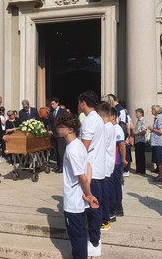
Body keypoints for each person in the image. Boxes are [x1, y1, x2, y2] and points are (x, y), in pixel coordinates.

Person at [56, 113, 99, 259]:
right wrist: (87, 193)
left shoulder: (72, 150)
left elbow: (82, 177)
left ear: (70, 129)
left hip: (73, 201)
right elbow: (88, 167)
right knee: (80, 234)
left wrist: (89, 195)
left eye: (61, 127)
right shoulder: (79, 145)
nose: (58, 129)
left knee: (77, 238)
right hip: (79, 198)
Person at [78, 91, 105, 257]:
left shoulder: (89, 121)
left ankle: (94, 241)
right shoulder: (98, 119)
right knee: (95, 204)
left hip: (91, 170)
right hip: (97, 168)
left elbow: (83, 147)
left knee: (92, 205)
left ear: (83, 103)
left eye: (79, 103)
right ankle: (95, 236)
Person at [97, 101, 115, 231]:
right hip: (107, 164)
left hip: (104, 165)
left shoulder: (106, 128)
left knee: (104, 194)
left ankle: (105, 220)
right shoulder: (110, 127)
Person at [109, 107, 127, 222]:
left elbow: (121, 145)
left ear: (113, 117)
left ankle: (117, 208)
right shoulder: (111, 128)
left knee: (116, 186)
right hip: (112, 162)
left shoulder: (117, 129)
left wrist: (124, 159)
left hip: (116, 162)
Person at [148, 105, 162, 182]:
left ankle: (161, 175)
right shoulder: (157, 118)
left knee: (160, 160)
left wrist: (152, 128)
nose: (151, 111)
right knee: (158, 160)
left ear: (156, 110)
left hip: (160, 142)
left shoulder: (160, 118)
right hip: (156, 142)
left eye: (152, 109)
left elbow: (161, 131)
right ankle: (160, 174)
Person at [48, 97, 67, 173]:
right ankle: (58, 166)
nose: (52, 105)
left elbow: (65, 121)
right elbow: (49, 122)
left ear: (57, 103)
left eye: (53, 104)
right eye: (51, 104)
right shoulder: (51, 112)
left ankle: (62, 167)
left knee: (60, 151)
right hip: (54, 134)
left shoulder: (63, 111)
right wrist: (49, 130)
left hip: (61, 134)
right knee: (56, 151)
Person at [132, 108, 147, 174]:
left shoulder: (143, 120)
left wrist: (136, 133)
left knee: (141, 156)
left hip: (141, 140)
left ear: (141, 113)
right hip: (137, 140)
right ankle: (138, 169)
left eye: (137, 113)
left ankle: (142, 170)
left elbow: (144, 131)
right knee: (137, 155)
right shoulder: (138, 121)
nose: (136, 114)